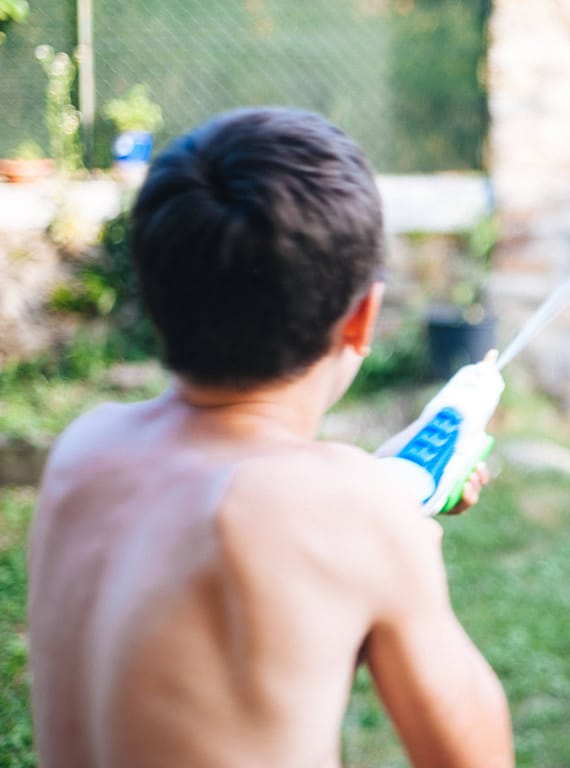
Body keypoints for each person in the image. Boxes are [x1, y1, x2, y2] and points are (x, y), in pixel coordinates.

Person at [26, 108, 514, 767]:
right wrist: (398, 533)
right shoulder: (357, 513)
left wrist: (370, 498)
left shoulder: (86, 450)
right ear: (361, 318)